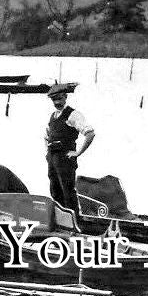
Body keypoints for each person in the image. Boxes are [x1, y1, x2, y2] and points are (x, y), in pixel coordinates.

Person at [44, 84, 95, 213]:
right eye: (54, 99)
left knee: (68, 191)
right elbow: (47, 135)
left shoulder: (73, 115)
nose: (57, 102)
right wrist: (47, 153)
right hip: (52, 158)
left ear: (65, 97)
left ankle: (74, 220)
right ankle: (61, 219)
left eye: (59, 98)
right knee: (55, 191)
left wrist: (78, 152)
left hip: (65, 158)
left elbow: (90, 134)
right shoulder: (52, 116)